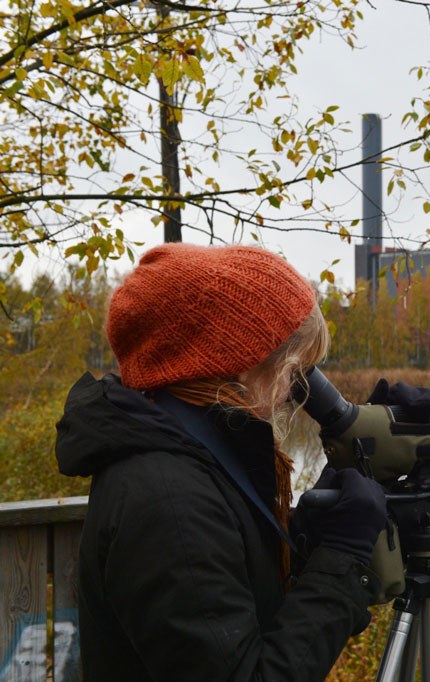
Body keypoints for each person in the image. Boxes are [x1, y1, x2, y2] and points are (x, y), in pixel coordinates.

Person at [55, 242, 388, 681]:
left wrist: (311, 537)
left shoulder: (191, 458)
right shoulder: (170, 500)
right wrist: (342, 558)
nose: (295, 392)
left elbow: (232, 604)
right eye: (293, 370)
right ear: (240, 366)